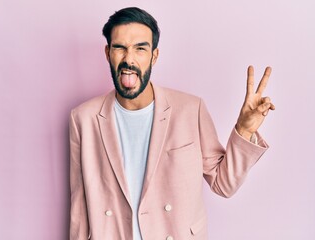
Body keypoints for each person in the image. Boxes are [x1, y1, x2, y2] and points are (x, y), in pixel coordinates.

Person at [69, 7, 275, 240]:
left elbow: (224, 184)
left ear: (154, 56)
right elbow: (79, 206)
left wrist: (245, 130)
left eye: (140, 48)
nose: (129, 59)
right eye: (120, 48)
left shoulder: (190, 110)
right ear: (108, 53)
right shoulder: (83, 119)